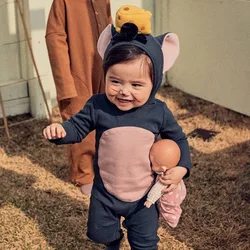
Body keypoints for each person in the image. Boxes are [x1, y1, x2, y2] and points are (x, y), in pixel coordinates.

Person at [43, 5, 192, 250]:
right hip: (105, 193)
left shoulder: (158, 111)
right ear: (106, 76)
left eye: (136, 84)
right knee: (101, 234)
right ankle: (112, 241)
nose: (124, 91)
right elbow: (78, 127)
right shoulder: (98, 105)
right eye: (115, 81)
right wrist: (61, 132)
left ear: (153, 83)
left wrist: (182, 168)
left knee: (145, 243)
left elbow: (180, 140)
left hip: (143, 197)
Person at [45, 0, 112, 195]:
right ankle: (84, 175)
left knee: (103, 116)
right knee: (79, 118)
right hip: (76, 71)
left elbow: (109, 29)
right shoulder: (64, 1)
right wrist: (64, 81)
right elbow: (54, 37)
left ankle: (100, 167)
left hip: (102, 66)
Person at [145, 139, 187, 228]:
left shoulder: (165, 177)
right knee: (175, 208)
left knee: (167, 211)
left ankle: (173, 222)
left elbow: (157, 190)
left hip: (168, 200)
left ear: (162, 168)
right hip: (178, 196)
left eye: (153, 163)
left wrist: (150, 200)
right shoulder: (174, 171)